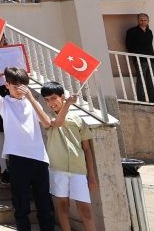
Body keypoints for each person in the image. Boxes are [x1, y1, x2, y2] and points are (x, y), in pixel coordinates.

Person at [0, 66, 55, 231]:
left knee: (45, 205)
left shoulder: (32, 103)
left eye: (23, 85)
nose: (19, 89)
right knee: (21, 205)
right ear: (7, 85)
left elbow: (47, 123)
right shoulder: (4, 103)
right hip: (17, 159)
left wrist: (31, 98)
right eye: (15, 85)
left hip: (39, 158)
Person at [40, 82, 97, 231]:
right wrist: (68, 104)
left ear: (62, 97)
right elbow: (57, 123)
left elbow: (87, 148)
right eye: (47, 100)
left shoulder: (77, 119)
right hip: (57, 169)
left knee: (85, 209)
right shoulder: (46, 117)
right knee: (62, 206)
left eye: (54, 98)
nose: (51, 103)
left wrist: (91, 175)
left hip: (78, 169)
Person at [123, 13, 154, 103]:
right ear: (138, 20)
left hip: (151, 59)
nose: (143, 22)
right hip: (140, 59)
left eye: (145, 20)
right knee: (141, 79)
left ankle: (153, 100)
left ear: (148, 21)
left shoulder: (149, 32)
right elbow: (128, 45)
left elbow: (150, 45)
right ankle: (141, 100)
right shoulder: (131, 31)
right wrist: (136, 56)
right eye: (141, 20)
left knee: (153, 79)